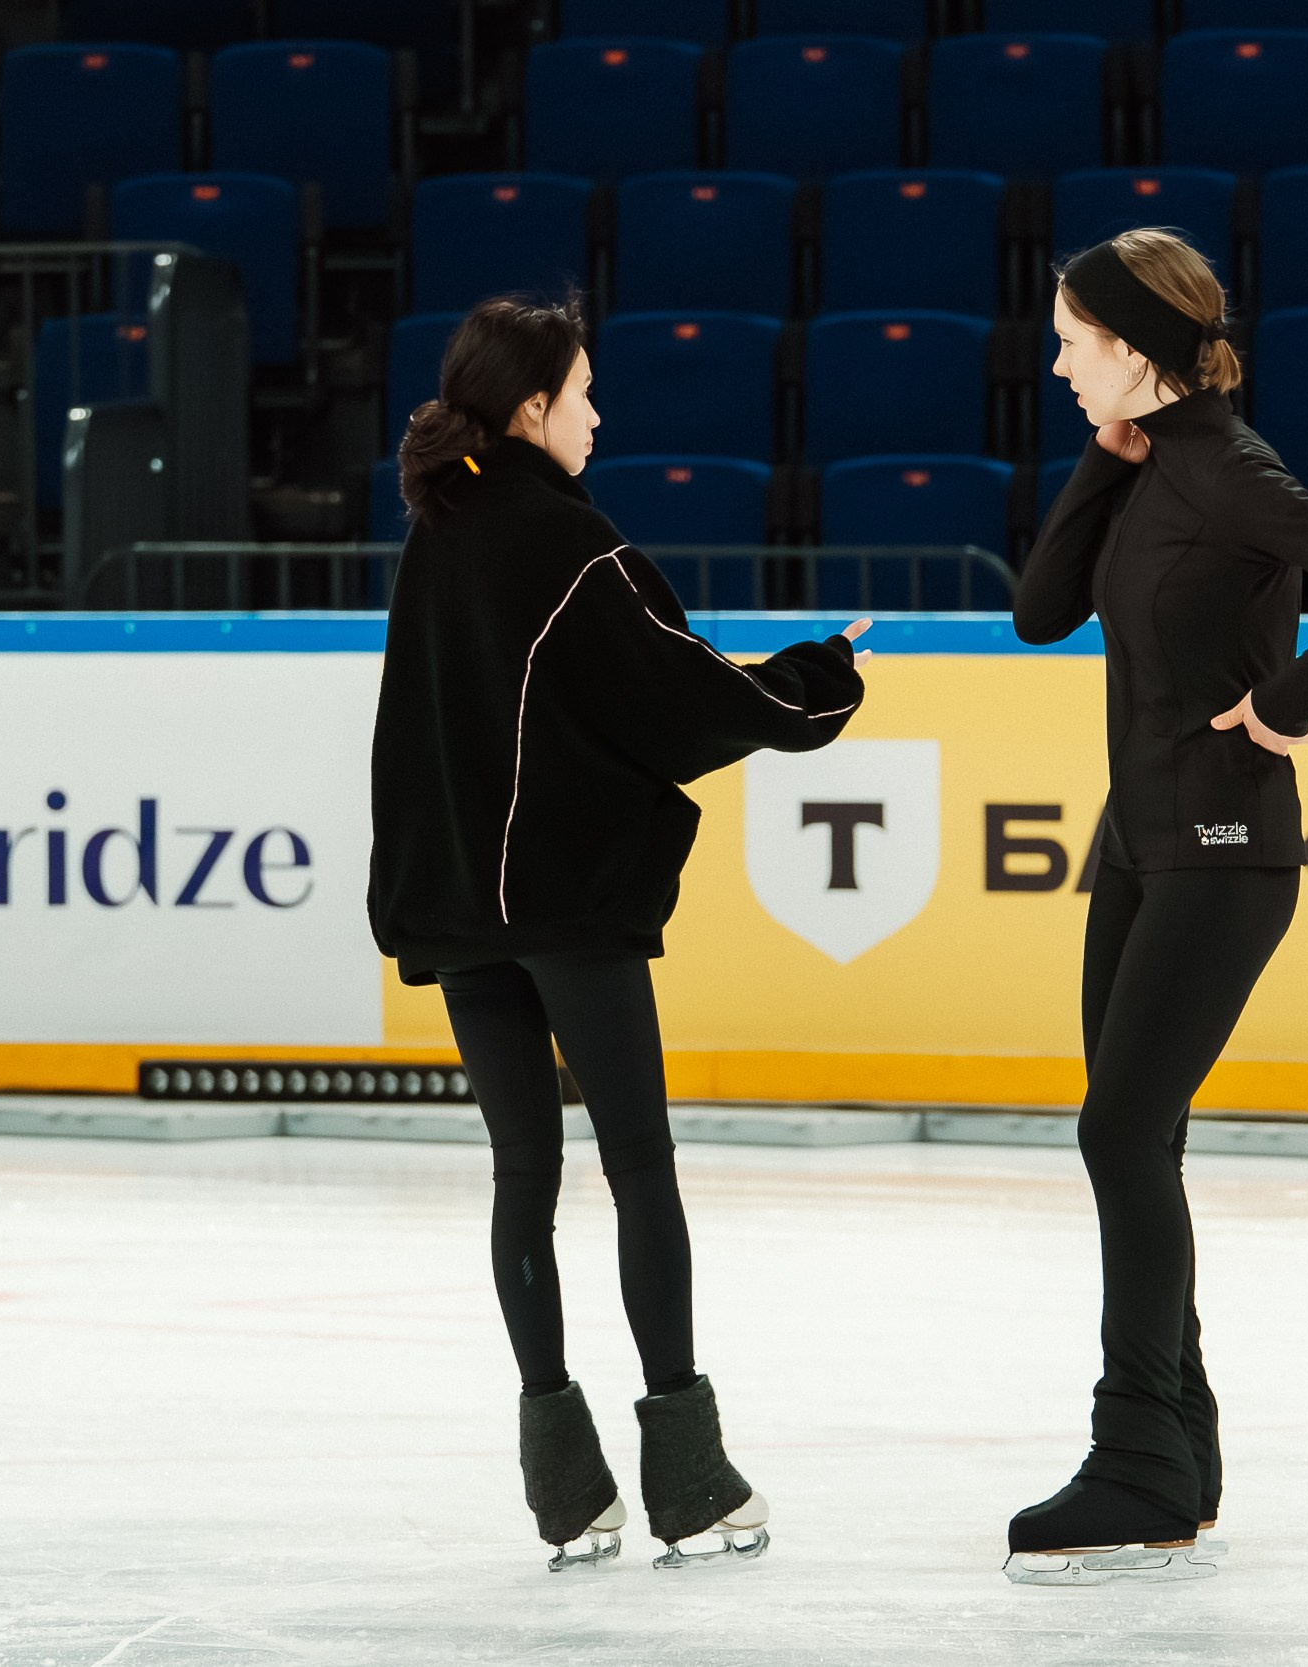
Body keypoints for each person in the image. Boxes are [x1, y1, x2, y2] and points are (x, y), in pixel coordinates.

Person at [366, 293, 870, 1573]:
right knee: (637, 1166)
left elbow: (420, 731)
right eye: (584, 392)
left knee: (521, 1179)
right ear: (532, 408)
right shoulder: (569, 544)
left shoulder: (438, 532)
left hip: (459, 912)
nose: (600, 415)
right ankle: (689, 1482)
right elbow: (681, 690)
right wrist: (817, 677)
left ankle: (564, 1490)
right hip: (564, 905)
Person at [1006, 231, 1308, 1584]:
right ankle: (1175, 1449)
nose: (1057, 358)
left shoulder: (1236, 470)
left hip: (1224, 840)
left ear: (1134, 345)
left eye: (1075, 337)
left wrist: (1290, 702)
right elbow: (1036, 611)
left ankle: (1137, 1448)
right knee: (1134, 1135)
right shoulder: (1151, 463)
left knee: (1121, 1128)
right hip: (1137, 845)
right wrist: (1104, 454)